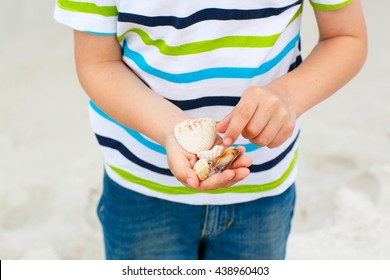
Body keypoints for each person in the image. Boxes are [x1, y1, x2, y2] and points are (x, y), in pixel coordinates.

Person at [54, 0, 367, 259]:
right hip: (141, 185)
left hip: (263, 188)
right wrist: (169, 128)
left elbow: (345, 37)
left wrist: (289, 95)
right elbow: (97, 62)